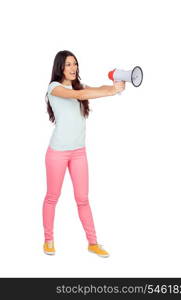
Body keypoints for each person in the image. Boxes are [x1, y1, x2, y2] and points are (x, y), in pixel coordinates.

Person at [43, 50, 125, 258]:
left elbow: (96, 89)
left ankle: (93, 243)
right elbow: (79, 95)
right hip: (57, 153)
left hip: (79, 152)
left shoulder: (79, 86)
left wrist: (114, 89)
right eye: (68, 64)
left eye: (75, 64)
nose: (73, 68)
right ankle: (48, 239)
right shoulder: (54, 88)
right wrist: (109, 92)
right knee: (53, 197)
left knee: (83, 199)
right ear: (60, 66)